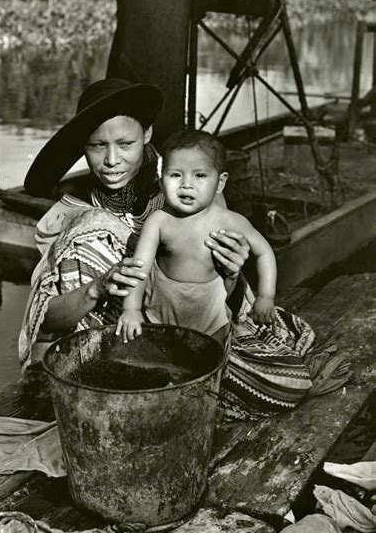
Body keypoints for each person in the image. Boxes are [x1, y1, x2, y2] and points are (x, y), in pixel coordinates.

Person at [20, 78, 317, 421]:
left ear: (147, 134)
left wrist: (234, 276)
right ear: (83, 147)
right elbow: (47, 322)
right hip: (121, 338)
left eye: (125, 143)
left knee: (267, 375)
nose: (111, 159)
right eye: (97, 146)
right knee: (88, 232)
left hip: (199, 326)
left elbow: (228, 296)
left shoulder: (189, 189)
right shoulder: (70, 214)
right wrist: (97, 287)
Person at [116, 129, 276, 344]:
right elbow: (139, 268)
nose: (186, 184)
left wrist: (266, 296)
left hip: (210, 315)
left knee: (211, 359)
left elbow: (265, 252)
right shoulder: (159, 221)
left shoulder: (230, 220)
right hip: (160, 312)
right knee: (158, 357)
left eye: (199, 175)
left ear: (220, 183)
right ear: (162, 181)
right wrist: (132, 308)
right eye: (175, 175)